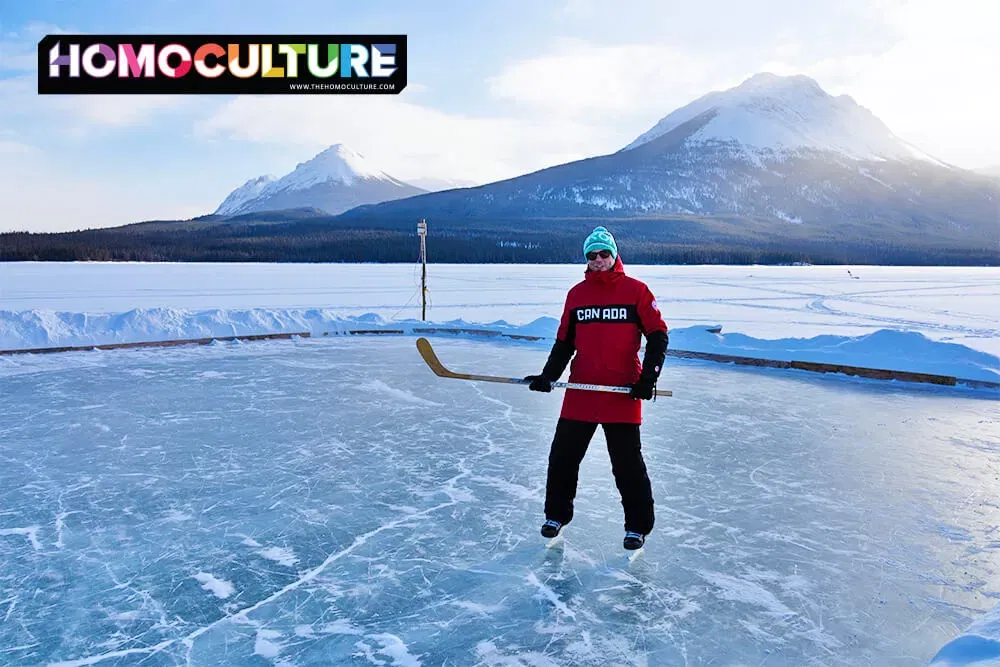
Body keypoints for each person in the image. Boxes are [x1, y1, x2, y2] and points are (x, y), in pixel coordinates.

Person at [524, 226, 668, 551]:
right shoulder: (577, 295)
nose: (599, 260)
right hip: (582, 390)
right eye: (592, 255)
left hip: (622, 393)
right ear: (586, 259)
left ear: (614, 255)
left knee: (628, 466)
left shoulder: (637, 291)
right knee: (563, 457)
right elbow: (564, 343)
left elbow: (658, 334)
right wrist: (548, 375)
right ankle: (556, 516)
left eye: (604, 253)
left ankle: (637, 527)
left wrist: (648, 379)